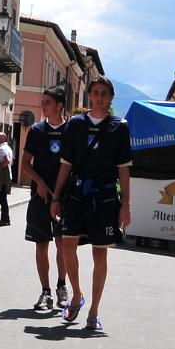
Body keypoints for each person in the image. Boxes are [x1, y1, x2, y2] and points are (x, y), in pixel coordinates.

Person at [50, 77, 132, 334]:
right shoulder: (75, 125)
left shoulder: (119, 128)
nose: (99, 97)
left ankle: (94, 311)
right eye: (95, 93)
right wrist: (55, 197)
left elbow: (124, 171)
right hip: (77, 194)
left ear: (110, 98)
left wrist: (125, 205)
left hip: (105, 196)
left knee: (100, 253)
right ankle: (77, 295)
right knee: (66, 244)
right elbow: (66, 164)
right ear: (89, 96)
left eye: (104, 94)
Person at [20, 87, 72, 314]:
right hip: (39, 197)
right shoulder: (36, 131)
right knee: (41, 245)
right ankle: (46, 290)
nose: (43, 106)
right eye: (42, 102)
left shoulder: (72, 131)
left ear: (60, 105)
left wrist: (60, 193)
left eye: (47, 102)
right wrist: (39, 183)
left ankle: (62, 286)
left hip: (64, 198)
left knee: (62, 244)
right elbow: (24, 164)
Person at [0, 131, 15, 226]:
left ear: (4, 138)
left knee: (2, 200)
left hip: (3, 177)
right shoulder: (7, 147)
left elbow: (7, 161)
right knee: (3, 199)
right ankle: (5, 219)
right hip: (6, 176)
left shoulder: (2, 148)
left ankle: (5, 219)